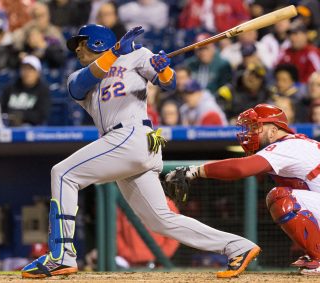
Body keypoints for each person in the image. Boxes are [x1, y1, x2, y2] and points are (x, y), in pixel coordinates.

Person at [21, 24, 260, 279]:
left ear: (98, 42)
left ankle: (61, 256)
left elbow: (169, 83)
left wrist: (162, 68)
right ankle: (238, 246)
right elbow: (84, 83)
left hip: (133, 135)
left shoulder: (137, 55)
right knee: (160, 220)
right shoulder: (77, 76)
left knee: (63, 173)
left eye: (82, 42)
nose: (77, 48)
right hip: (123, 143)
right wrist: (115, 52)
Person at [165, 103, 320, 275]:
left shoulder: (287, 146)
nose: (251, 132)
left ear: (274, 130)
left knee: (281, 198)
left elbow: (241, 168)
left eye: (256, 127)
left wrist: (195, 171)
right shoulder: (297, 143)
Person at [0, 55, 50, 126]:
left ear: (38, 73)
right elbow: (2, 109)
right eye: (24, 69)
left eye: (31, 69)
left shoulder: (43, 90)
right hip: (9, 125)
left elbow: (41, 115)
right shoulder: (10, 88)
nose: (27, 72)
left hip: (33, 127)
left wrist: (21, 115)